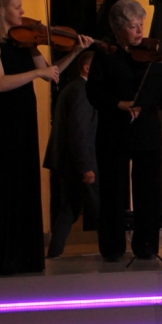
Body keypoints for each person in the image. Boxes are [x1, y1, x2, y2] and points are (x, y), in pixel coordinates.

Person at [0, 0, 92, 276]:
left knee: (24, 183)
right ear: (1, 10)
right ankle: (4, 257)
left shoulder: (25, 42)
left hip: (23, 119)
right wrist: (37, 72)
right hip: (2, 120)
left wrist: (76, 51)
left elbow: (52, 73)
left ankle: (25, 255)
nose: (22, 12)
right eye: (16, 7)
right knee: (5, 184)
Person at [87, 0, 162, 262]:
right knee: (114, 191)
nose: (140, 31)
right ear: (118, 28)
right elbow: (93, 91)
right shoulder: (106, 54)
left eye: (141, 24)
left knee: (148, 190)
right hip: (114, 131)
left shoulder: (151, 54)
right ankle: (112, 248)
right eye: (133, 26)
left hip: (146, 129)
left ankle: (146, 246)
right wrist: (118, 103)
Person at [43, 50, 99, 259]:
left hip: (66, 161)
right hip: (78, 162)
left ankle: (54, 251)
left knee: (70, 207)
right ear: (87, 68)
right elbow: (79, 131)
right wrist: (86, 167)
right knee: (98, 206)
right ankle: (112, 250)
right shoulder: (83, 91)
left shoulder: (72, 88)